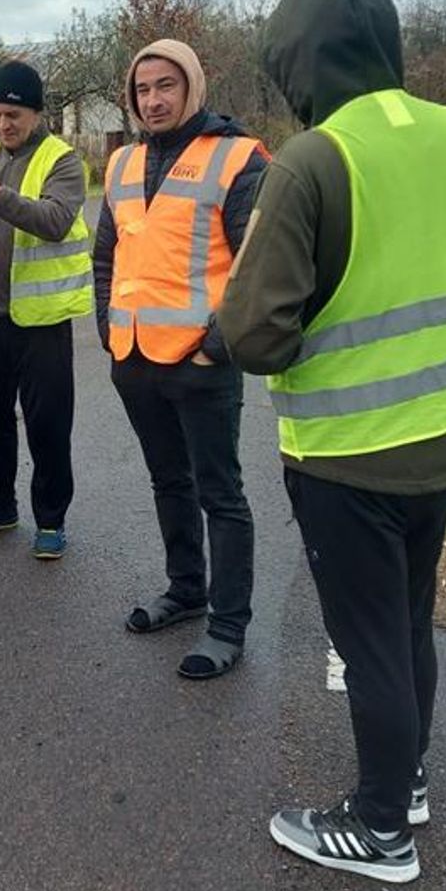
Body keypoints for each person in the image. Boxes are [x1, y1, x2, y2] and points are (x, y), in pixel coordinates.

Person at [218, 0, 446, 883]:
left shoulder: (314, 159)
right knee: (407, 623)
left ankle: (381, 827)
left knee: (367, 644)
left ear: (298, 60)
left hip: (348, 451)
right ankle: (411, 779)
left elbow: (256, 335)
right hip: (443, 434)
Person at [94, 39, 270, 679]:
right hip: (135, 358)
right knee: (169, 482)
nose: (153, 99)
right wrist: (108, 335)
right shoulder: (120, 164)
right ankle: (186, 588)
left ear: (192, 87)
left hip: (201, 364)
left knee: (221, 494)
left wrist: (214, 349)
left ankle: (228, 624)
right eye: (142, 90)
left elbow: (260, 267)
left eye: (166, 85)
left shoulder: (237, 158)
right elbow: (105, 259)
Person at [0, 60, 93, 560]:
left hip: (42, 321)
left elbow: (54, 220)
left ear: (36, 111)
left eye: (13, 114)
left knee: (48, 424)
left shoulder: (63, 159)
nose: (4, 125)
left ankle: (50, 520)